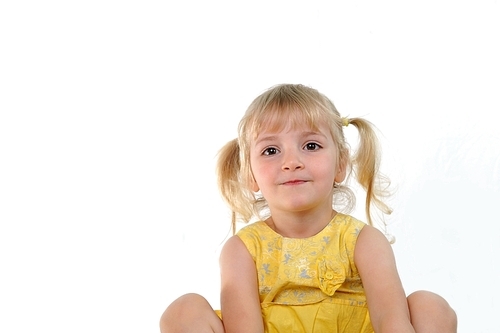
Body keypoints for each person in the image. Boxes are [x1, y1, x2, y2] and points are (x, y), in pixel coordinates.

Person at [160, 84, 457, 332]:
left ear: (340, 164)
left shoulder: (363, 242)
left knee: (430, 306)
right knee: (183, 311)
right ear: (250, 175)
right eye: (271, 151)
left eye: (311, 146)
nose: (291, 162)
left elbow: (391, 321)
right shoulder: (242, 250)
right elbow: (244, 328)